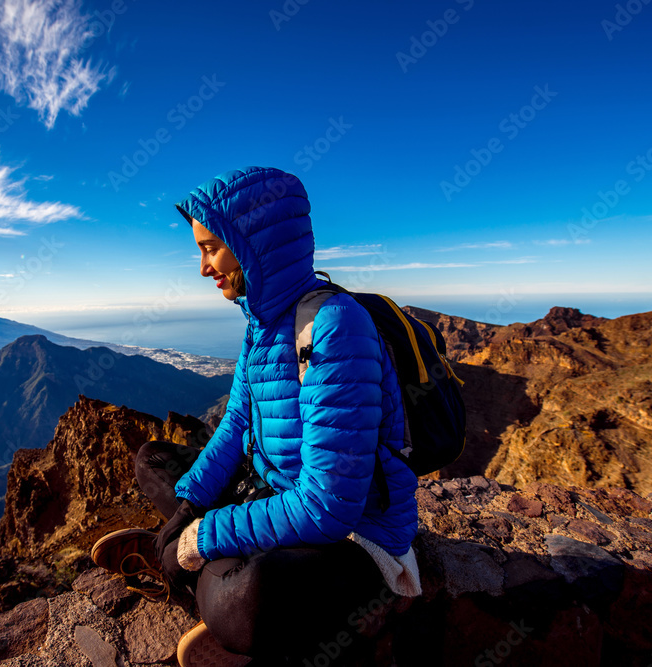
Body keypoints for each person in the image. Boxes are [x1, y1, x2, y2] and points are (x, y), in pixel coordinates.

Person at [91, 166, 421, 666]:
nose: (204, 268)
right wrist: (186, 508)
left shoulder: (335, 326)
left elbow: (329, 508)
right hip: (275, 494)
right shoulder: (262, 323)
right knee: (154, 459)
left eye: (210, 249)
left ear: (253, 245)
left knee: (248, 598)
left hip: (353, 539)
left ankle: (209, 591)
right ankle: (201, 577)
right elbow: (235, 426)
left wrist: (199, 537)